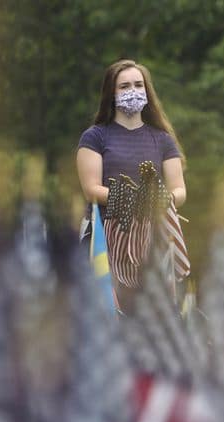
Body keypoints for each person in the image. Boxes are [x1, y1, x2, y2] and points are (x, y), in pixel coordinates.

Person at [76, 59, 185, 311]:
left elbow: (179, 189)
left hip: (151, 240)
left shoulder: (163, 140)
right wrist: (133, 199)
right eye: (124, 86)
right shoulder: (95, 137)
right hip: (105, 238)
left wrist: (162, 199)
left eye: (138, 84)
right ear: (111, 94)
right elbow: (91, 189)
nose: (132, 90)